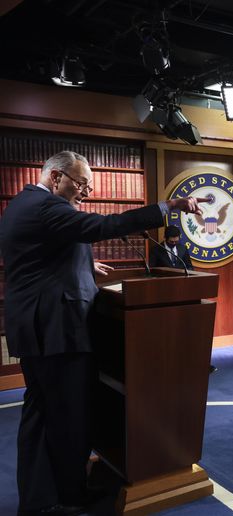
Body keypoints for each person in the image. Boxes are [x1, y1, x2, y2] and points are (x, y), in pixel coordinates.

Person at [0, 150, 205, 515]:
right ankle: (68, 498)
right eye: (81, 184)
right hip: (56, 331)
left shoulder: (23, 204)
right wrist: (165, 207)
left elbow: (41, 255)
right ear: (56, 177)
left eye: (89, 186)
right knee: (67, 418)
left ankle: (39, 499)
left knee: (42, 415)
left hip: (40, 330)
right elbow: (100, 226)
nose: (85, 192)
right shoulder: (46, 207)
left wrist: (82, 262)